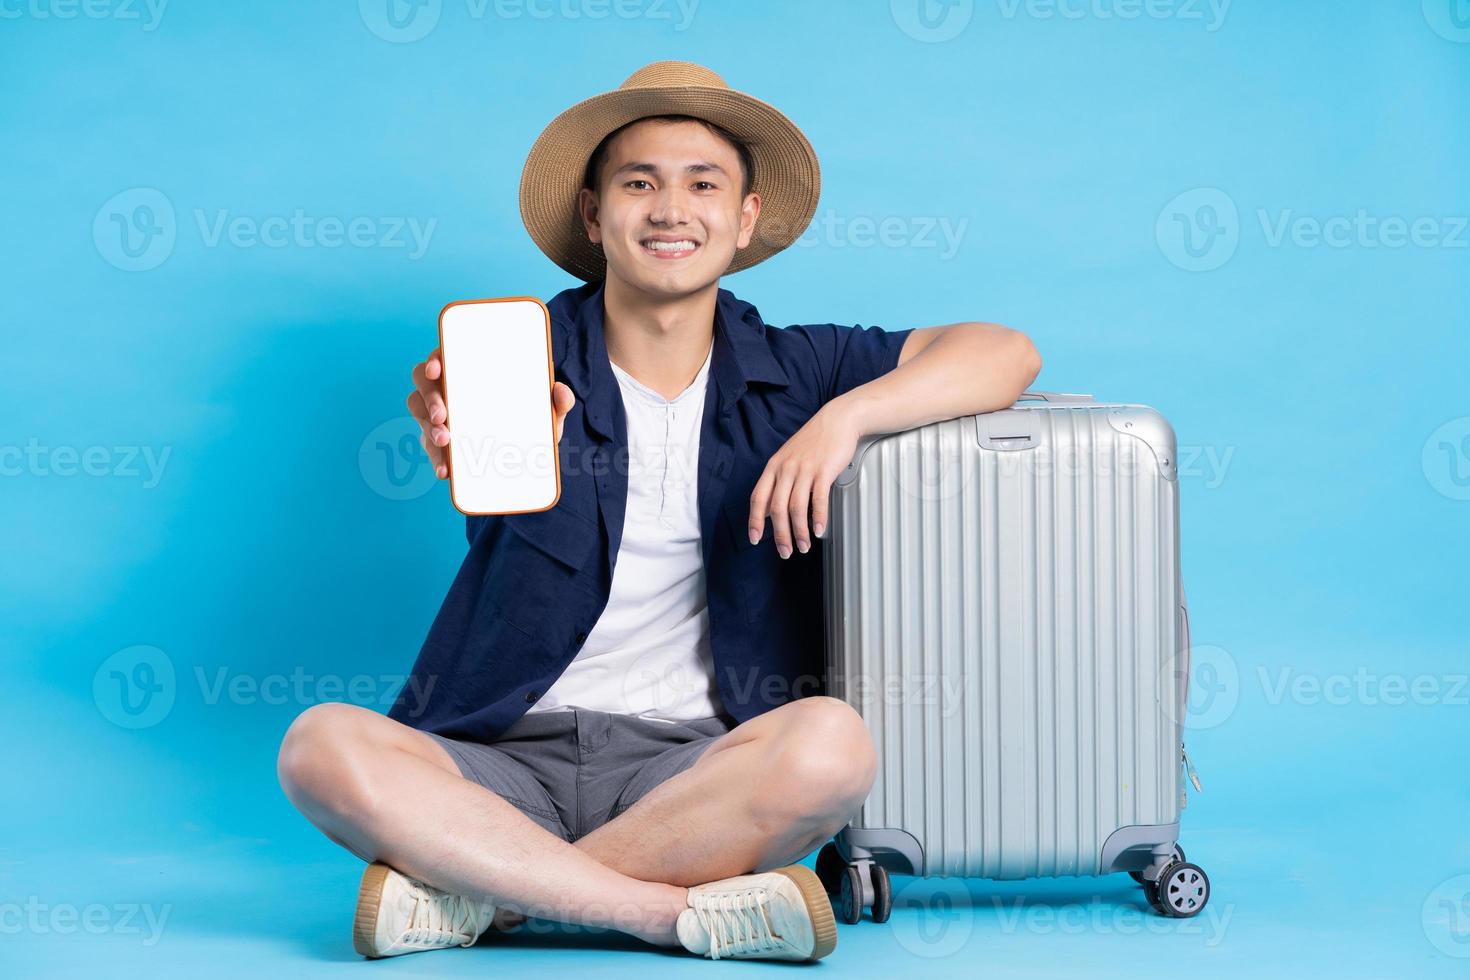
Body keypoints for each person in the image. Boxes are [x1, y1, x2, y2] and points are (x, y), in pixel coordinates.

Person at [276, 60, 1041, 962]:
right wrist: (454, 438)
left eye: (702, 184)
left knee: (833, 747)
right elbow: (469, 452)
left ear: (745, 218)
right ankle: (654, 912)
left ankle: (493, 896)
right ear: (596, 217)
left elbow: (1006, 352)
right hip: (500, 756)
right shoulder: (525, 356)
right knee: (318, 746)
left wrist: (849, 416)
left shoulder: (800, 370)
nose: (671, 209)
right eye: (639, 183)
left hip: (688, 773)